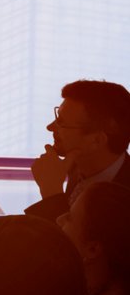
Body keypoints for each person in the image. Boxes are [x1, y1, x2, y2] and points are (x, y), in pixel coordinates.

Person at [27, 79, 130, 222]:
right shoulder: (76, 166)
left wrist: (51, 192)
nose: (50, 127)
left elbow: (68, 237)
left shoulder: (125, 200)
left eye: (61, 122)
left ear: (96, 140)